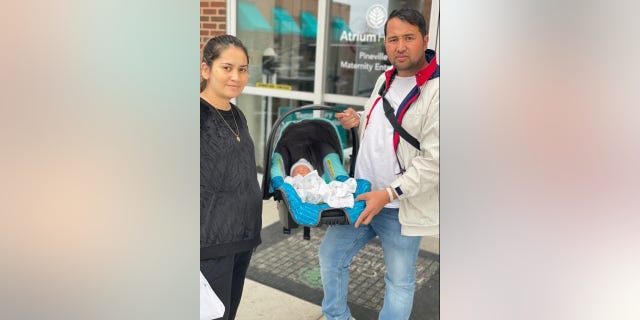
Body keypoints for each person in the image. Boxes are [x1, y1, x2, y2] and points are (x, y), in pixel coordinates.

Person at [319, 8, 439, 320]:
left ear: (425, 40)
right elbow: (380, 128)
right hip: (361, 197)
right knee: (331, 257)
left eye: (408, 38)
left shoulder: (439, 91)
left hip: (399, 207)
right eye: (393, 39)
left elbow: (435, 163)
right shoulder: (384, 79)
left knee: (399, 281)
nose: (400, 46)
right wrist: (357, 120)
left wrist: (387, 194)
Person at [200, 35, 262, 320]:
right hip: (208, 245)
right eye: (227, 68)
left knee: (228, 314)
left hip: (241, 238)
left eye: (243, 69)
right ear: (206, 70)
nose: (236, 76)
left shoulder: (237, 114)